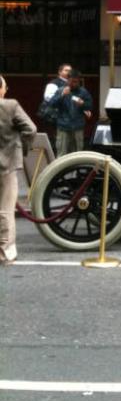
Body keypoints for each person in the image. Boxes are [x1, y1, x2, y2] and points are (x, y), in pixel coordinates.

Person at [0, 74, 37, 265]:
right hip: (6, 164)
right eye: (5, 86)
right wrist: (20, 146)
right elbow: (30, 129)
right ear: (1, 89)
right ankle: (5, 254)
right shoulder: (10, 106)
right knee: (5, 210)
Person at [47, 68, 93, 157]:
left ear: (79, 81)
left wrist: (83, 104)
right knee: (61, 154)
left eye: (76, 82)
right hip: (63, 127)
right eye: (72, 81)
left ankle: (76, 171)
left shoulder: (83, 92)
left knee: (77, 155)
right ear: (68, 80)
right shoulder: (61, 90)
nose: (74, 84)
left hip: (78, 127)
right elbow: (52, 104)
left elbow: (90, 106)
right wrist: (62, 95)